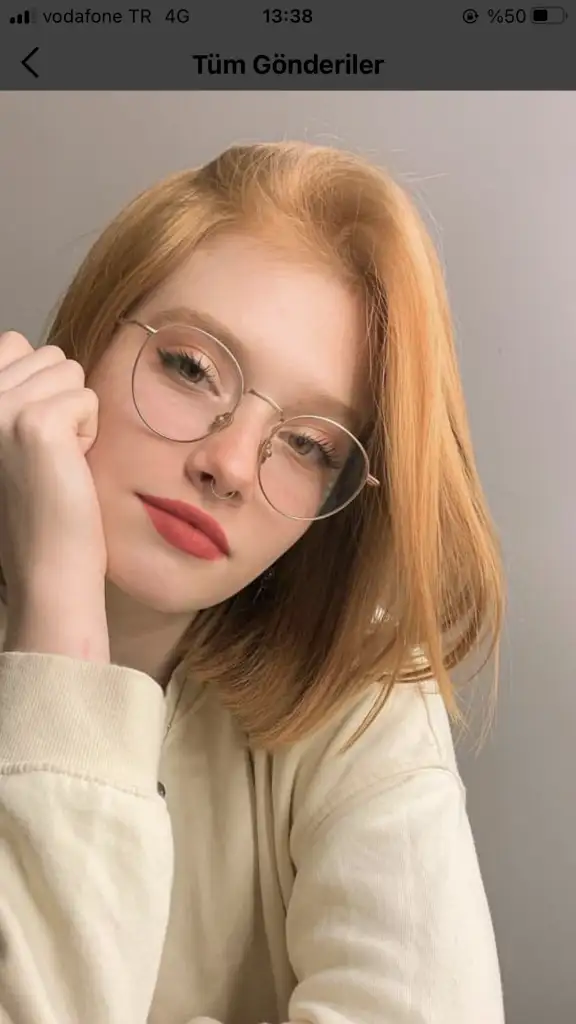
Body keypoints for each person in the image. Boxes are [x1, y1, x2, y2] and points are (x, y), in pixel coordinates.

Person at [0, 141, 506, 1024]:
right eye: (191, 368)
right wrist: (60, 620)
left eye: (309, 445)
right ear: (84, 342)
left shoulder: (360, 686)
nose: (231, 465)